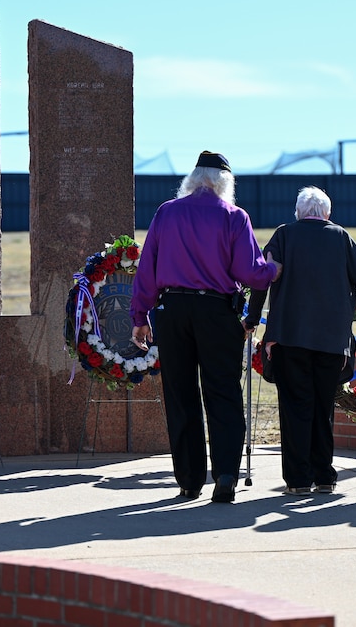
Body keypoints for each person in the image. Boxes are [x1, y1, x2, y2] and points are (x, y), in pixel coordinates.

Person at [130, 151, 282, 504]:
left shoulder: (166, 212)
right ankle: (226, 475)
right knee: (223, 393)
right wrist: (272, 269)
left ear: (193, 180)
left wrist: (140, 317)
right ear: (225, 183)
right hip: (217, 311)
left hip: (172, 311)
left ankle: (188, 480)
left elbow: (147, 270)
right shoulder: (234, 216)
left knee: (180, 395)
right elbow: (250, 272)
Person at [245, 186, 356, 496]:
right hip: (332, 341)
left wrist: (253, 318)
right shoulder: (341, 236)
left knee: (295, 408)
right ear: (327, 214)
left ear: (298, 212)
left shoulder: (284, 235)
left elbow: (262, 279)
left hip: (289, 337)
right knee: (323, 408)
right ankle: (325, 476)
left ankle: (297, 480)